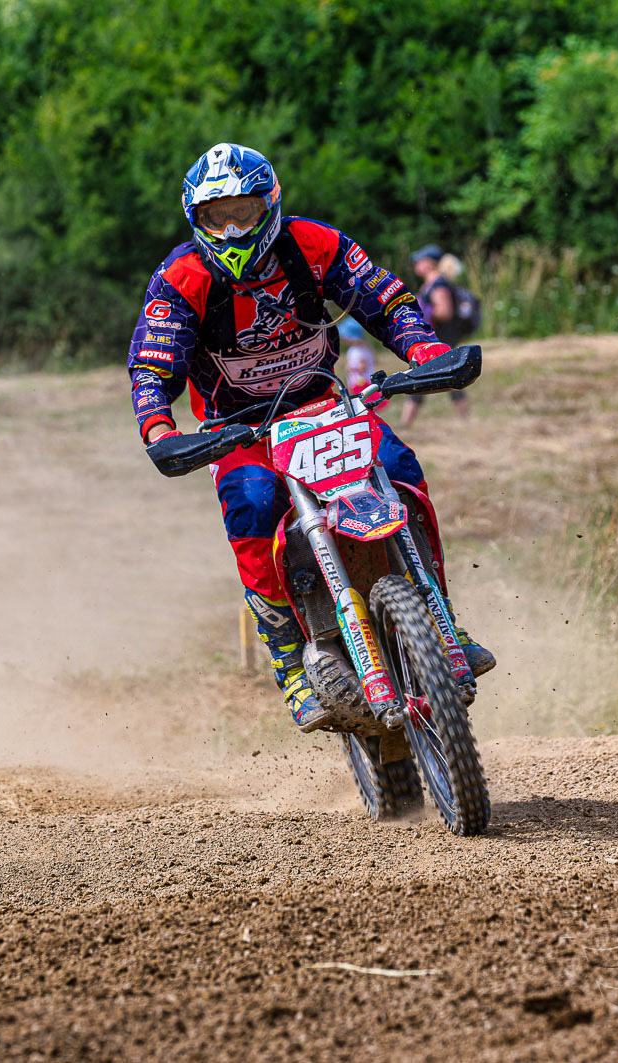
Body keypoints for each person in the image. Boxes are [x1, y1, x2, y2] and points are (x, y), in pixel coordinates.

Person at [127, 143, 495, 732]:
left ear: (269, 203)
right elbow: (153, 363)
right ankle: (290, 663)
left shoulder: (314, 243)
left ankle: (441, 616)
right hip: (240, 431)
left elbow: (386, 300)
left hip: (329, 405)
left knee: (400, 466)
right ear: (197, 220)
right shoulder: (180, 278)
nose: (232, 228)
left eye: (243, 212)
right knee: (251, 504)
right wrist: (158, 426)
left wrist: (426, 351)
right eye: (217, 217)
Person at [403, 245, 473, 428]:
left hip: (440, 339)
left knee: (421, 376)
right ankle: (466, 421)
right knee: (447, 378)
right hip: (437, 339)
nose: (416, 264)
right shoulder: (432, 283)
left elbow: (445, 312)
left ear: (429, 263)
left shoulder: (438, 284)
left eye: (419, 260)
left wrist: (423, 312)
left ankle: (406, 423)